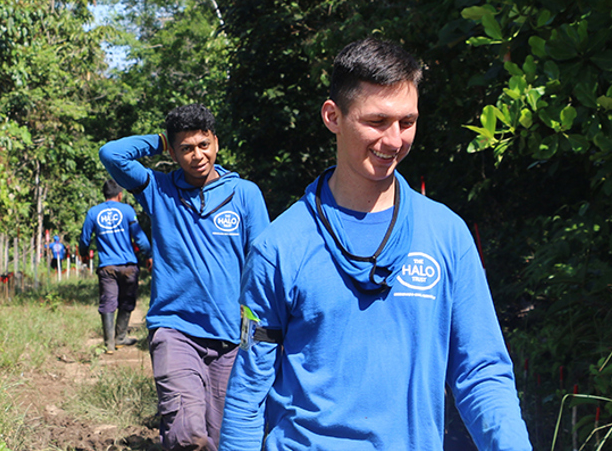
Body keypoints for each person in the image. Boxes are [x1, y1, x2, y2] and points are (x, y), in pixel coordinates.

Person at [218, 38, 531, 450]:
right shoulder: (278, 247)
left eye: (407, 121)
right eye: (377, 122)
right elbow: (248, 388)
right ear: (333, 116)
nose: (394, 140)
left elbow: (481, 371)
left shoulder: (446, 235)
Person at [100, 103, 270, 451]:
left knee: (226, 439)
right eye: (186, 148)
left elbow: (262, 262)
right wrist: (160, 141)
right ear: (174, 153)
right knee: (186, 434)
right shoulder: (157, 189)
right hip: (174, 330)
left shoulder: (244, 194)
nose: (197, 155)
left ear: (216, 143)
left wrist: (262, 328)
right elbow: (111, 154)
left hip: (229, 339)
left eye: (203, 145)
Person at [79, 179, 152, 353]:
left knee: (108, 301)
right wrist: (148, 255)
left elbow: (84, 238)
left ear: (104, 194)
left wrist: (83, 254)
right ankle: (120, 337)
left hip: (107, 266)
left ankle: (109, 343)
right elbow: (139, 237)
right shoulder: (127, 210)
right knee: (127, 301)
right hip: (128, 266)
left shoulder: (93, 212)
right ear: (120, 194)